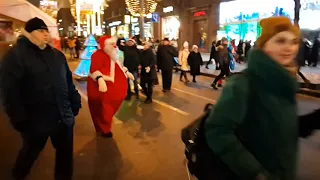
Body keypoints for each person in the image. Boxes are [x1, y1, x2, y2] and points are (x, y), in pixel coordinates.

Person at [204, 16, 320, 180]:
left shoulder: (284, 82)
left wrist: (314, 120)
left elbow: (277, 128)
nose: (289, 48)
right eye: (280, 41)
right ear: (264, 45)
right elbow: (217, 130)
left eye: (294, 41)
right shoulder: (243, 83)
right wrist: (256, 173)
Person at [0, 17, 81, 180]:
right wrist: (20, 119)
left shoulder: (57, 55)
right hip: (35, 120)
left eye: (47, 31)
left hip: (63, 117)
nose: (45, 34)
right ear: (29, 34)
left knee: (65, 158)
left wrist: (75, 103)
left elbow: (67, 81)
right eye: (41, 31)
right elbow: (9, 91)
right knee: (29, 154)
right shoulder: (16, 56)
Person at [87, 36, 134, 138]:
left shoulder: (113, 54)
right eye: (111, 44)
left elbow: (119, 66)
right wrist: (99, 78)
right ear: (104, 45)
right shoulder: (97, 55)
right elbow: (94, 69)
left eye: (114, 43)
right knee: (104, 109)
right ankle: (105, 129)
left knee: (109, 108)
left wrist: (127, 72)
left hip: (112, 87)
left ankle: (104, 126)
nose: (114, 45)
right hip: (101, 88)